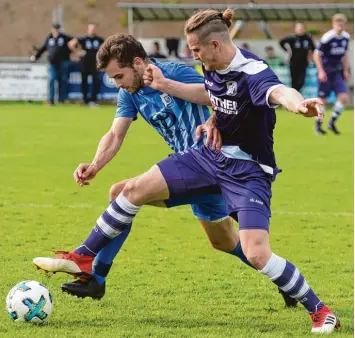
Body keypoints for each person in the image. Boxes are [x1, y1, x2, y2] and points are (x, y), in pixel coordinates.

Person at [33, 8, 339, 333]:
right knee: (133, 195)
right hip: (201, 160)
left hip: (243, 169)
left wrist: (298, 104)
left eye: (195, 49)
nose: (192, 54)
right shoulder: (181, 75)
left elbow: (273, 91)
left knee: (256, 251)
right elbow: (207, 98)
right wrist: (95, 164)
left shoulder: (232, 70)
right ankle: (88, 264)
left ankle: (317, 308)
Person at [313, 13, 350, 135]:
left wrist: (345, 70)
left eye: (342, 24)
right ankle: (318, 126)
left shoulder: (345, 37)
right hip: (326, 72)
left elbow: (344, 55)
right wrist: (320, 71)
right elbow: (316, 54)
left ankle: (332, 122)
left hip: (337, 72)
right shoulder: (327, 37)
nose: (340, 26)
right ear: (333, 24)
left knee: (344, 98)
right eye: (337, 24)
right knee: (322, 101)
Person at [31, 23, 73, 105]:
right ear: (52, 29)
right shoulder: (49, 38)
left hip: (63, 62)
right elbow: (43, 48)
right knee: (52, 79)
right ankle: (50, 100)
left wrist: (76, 52)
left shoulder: (65, 38)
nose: (56, 30)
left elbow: (74, 43)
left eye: (57, 29)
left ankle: (62, 100)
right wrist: (36, 56)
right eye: (55, 28)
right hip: (52, 63)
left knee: (63, 81)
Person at [69, 24, 104, 107]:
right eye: (91, 29)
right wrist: (78, 52)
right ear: (88, 30)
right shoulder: (84, 39)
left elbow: (106, 45)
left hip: (95, 64)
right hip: (85, 63)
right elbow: (71, 44)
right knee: (84, 82)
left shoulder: (99, 39)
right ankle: (85, 100)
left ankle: (93, 100)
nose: (92, 30)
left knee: (96, 82)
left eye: (94, 29)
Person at [280, 22, 315, 92]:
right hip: (293, 63)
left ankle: (297, 93)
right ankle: (295, 97)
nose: (300, 29)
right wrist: (287, 50)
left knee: (301, 81)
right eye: (298, 28)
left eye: (301, 28)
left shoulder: (308, 37)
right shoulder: (292, 38)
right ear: (295, 29)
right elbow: (281, 42)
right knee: (294, 82)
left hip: (303, 63)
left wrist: (310, 56)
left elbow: (313, 47)